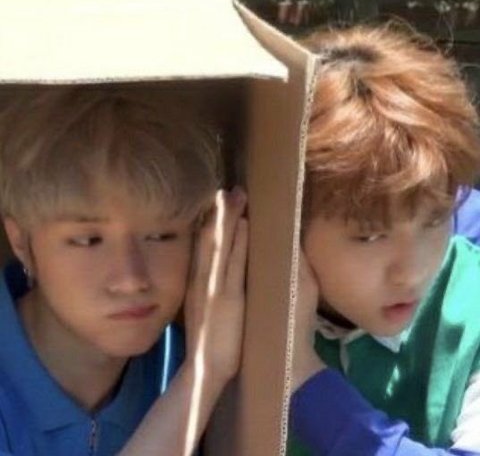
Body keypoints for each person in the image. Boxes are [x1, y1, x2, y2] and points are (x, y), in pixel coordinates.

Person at [0, 86, 248, 456]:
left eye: (161, 236)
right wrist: (201, 378)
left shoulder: (177, 358)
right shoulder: (202, 366)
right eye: (88, 240)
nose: (131, 279)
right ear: (21, 241)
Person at [288, 24, 480, 455]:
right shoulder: (231, 304)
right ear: (289, 222)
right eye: (370, 236)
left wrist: (303, 379)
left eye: (435, 220)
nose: (410, 273)